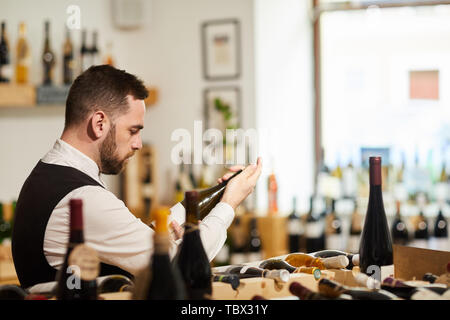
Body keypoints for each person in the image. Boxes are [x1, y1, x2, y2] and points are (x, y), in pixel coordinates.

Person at [12, 65, 262, 289]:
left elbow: (134, 239)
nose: (139, 144)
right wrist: (229, 205)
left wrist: (214, 199)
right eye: (133, 131)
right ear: (99, 123)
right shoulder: (83, 198)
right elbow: (179, 267)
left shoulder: (49, 174)